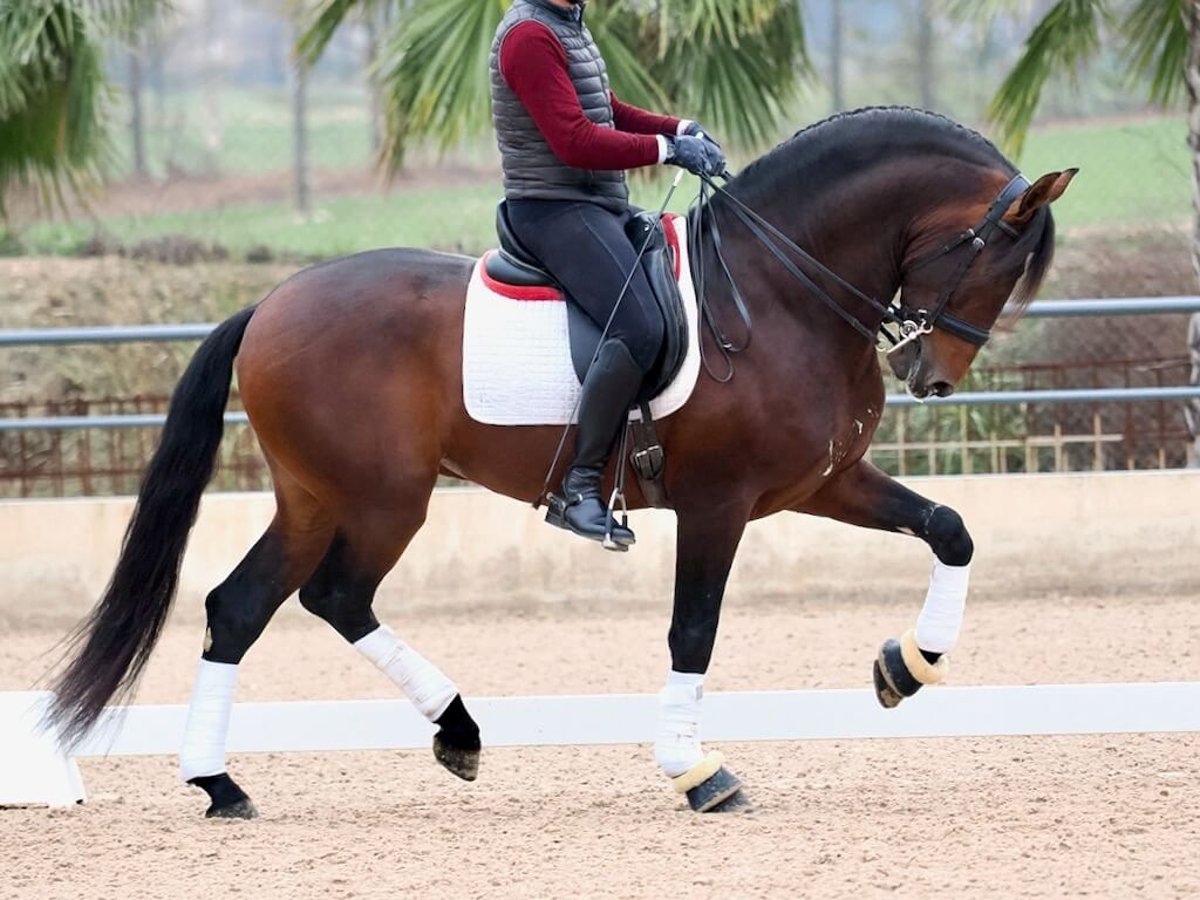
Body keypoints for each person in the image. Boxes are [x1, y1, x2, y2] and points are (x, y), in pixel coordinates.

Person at [490, 0, 725, 547]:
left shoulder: (565, 23)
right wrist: (668, 150)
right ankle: (579, 486)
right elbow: (574, 139)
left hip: (595, 204)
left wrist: (678, 126)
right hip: (551, 209)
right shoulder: (528, 35)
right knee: (638, 326)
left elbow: (605, 109)